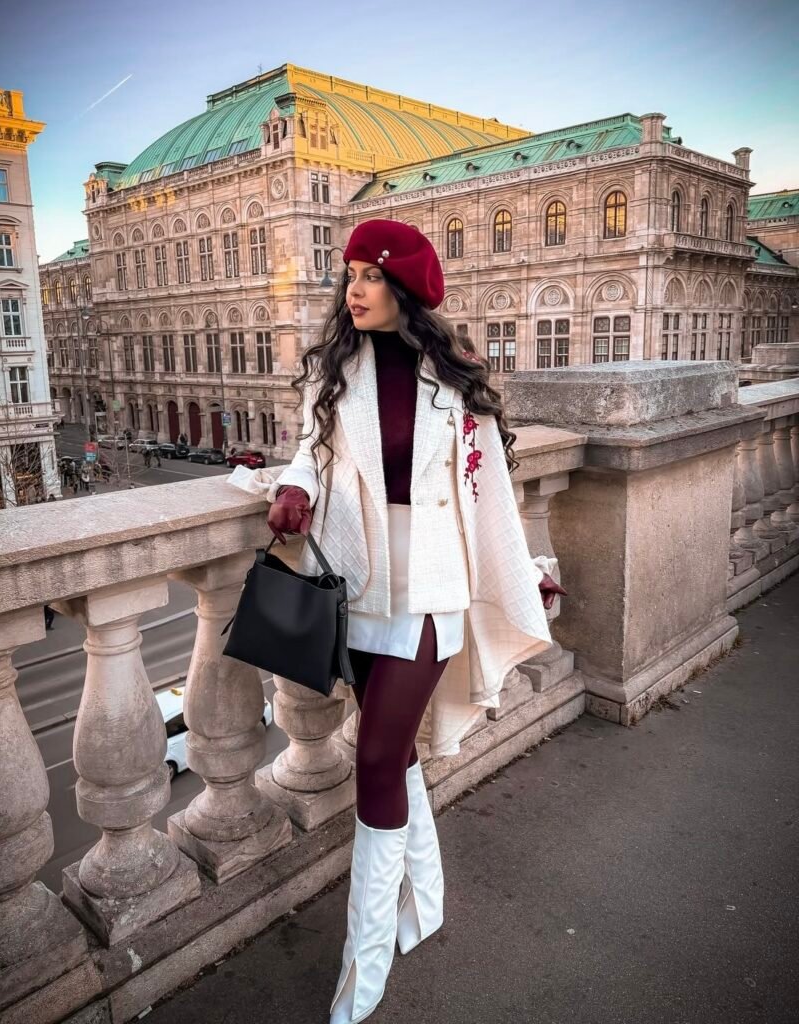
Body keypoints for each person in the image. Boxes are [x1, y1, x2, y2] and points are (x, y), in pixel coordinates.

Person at [264, 219, 567, 1024]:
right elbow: (311, 452)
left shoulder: (455, 381)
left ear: (406, 287)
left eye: (369, 274)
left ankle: (359, 978)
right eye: (350, 275)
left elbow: (490, 489)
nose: (353, 289)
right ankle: (425, 901)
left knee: (373, 760)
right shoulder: (336, 371)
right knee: (391, 754)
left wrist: (522, 572)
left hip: (432, 589)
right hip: (356, 586)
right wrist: (294, 490)